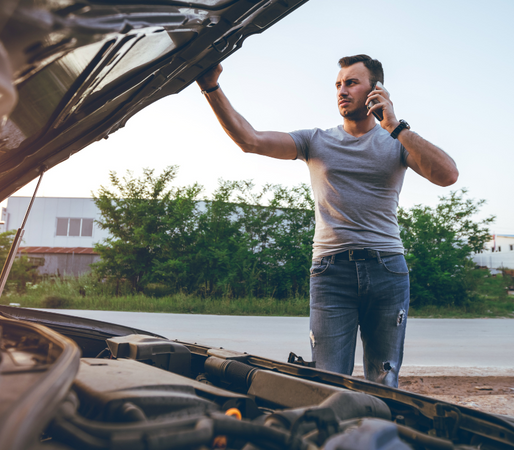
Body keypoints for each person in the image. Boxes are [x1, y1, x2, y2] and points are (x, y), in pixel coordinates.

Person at [195, 55, 458, 387]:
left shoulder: (397, 142)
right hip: (331, 273)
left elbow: (447, 175)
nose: (341, 91)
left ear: (376, 90)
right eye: (338, 84)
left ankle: (376, 436)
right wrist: (211, 87)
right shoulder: (315, 141)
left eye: (351, 82)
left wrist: (394, 126)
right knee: (325, 382)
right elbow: (250, 140)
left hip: (387, 270)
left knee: (383, 381)